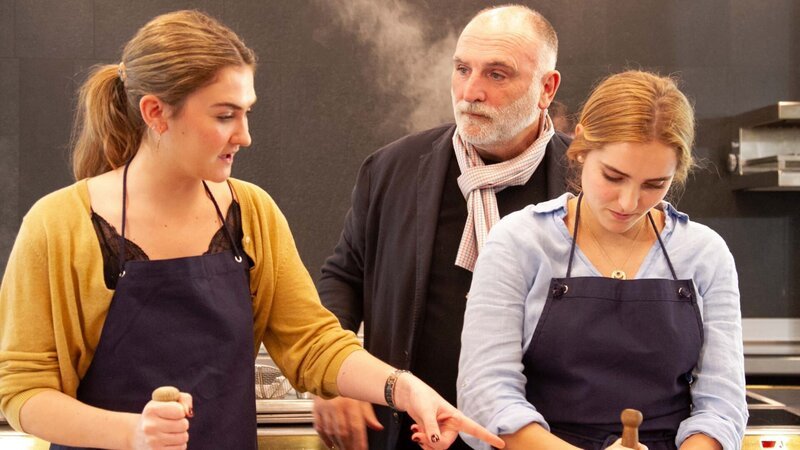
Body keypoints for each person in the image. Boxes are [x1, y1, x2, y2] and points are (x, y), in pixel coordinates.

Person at [0, 10, 504, 450]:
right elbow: (24, 392)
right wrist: (132, 435)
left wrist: (402, 386)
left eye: (246, 112)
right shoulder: (59, 225)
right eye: (224, 116)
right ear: (155, 113)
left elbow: (312, 344)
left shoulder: (252, 212)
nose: (244, 135)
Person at [313, 5, 569, 450]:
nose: (470, 91)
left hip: (543, 434)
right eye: (462, 69)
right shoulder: (393, 168)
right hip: (412, 431)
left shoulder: (583, 179)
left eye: (497, 74)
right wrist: (333, 375)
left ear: (546, 88)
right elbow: (344, 276)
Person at [458, 70, 748, 450]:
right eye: (613, 176)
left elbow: (722, 406)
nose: (629, 203)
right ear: (580, 148)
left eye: (654, 185)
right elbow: (485, 397)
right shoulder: (520, 242)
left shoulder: (704, 254)